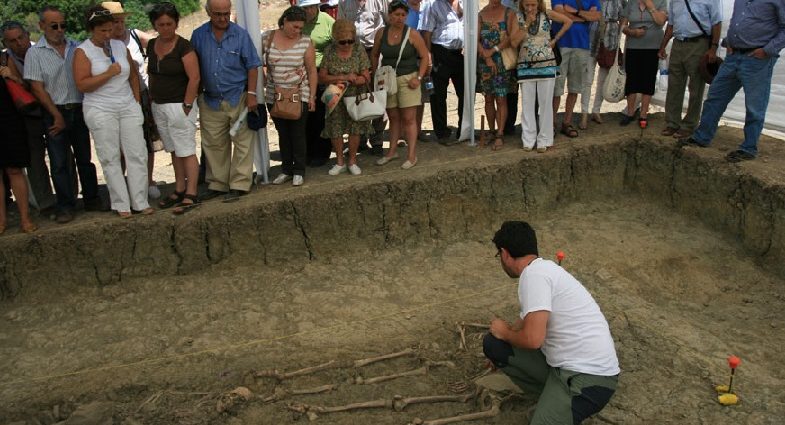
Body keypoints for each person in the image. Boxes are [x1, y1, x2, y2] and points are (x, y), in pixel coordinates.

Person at [484, 221, 619, 424]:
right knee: (495, 345)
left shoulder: (534, 276)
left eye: (499, 256)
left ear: (504, 254)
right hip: (568, 368)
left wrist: (504, 332)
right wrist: (504, 338)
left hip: (589, 379)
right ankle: (553, 403)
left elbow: (533, 340)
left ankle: (560, 408)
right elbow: (527, 320)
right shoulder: (545, 269)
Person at [679, 0, 784, 162]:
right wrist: (728, 41)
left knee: (755, 106)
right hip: (733, 56)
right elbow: (738, 19)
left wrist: (768, 50)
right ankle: (702, 136)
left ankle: (748, 148)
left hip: (757, 59)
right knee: (715, 97)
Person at [73, 5, 153, 218]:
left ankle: (140, 200)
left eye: (110, 29)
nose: (108, 34)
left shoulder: (120, 47)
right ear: (92, 29)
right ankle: (121, 203)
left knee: (137, 153)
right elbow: (82, 84)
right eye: (103, 31)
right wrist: (108, 74)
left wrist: (136, 102)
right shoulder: (83, 51)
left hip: (126, 104)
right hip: (100, 107)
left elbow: (133, 76)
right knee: (110, 156)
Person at [25, 5, 101, 224]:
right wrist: (55, 115)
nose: (59, 30)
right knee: (58, 163)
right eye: (54, 26)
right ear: (42, 26)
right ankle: (66, 205)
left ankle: (91, 198)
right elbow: (37, 88)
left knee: (85, 159)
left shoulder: (76, 47)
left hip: (78, 108)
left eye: (63, 25)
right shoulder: (35, 53)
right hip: (54, 110)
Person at [191, 0, 261, 202]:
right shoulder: (198, 35)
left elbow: (253, 65)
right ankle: (218, 184)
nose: (223, 18)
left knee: (242, 143)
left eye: (226, 13)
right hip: (210, 98)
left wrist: (251, 94)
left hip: (237, 95)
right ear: (209, 13)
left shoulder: (240, 34)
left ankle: (240, 184)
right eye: (218, 14)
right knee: (213, 144)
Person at [147, 2, 202, 214]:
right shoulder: (152, 45)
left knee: (186, 149)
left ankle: (191, 191)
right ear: (155, 25)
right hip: (159, 104)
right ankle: (179, 187)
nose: (166, 28)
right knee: (173, 149)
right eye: (161, 24)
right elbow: (152, 73)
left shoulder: (183, 46)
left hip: (180, 103)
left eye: (169, 23)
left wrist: (187, 104)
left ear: (176, 23)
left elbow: (194, 77)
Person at [104, 1, 161, 200]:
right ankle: (123, 185)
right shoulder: (100, 44)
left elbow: (158, 43)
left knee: (145, 141)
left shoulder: (135, 35)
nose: (118, 25)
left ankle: (149, 180)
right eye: (114, 21)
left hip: (142, 94)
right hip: (114, 97)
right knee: (118, 146)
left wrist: (152, 69)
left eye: (121, 20)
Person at [0, 21, 57, 212]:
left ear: (27, 35)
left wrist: (17, 78)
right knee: (35, 161)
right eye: (12, 41)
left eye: (20, 37)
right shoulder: (5, 60)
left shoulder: (42, 50)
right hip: (28, 115)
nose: (18, 43)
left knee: (62, 157)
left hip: (53, 108)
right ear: (6, 43)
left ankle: (68, 199)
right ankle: (45, 203)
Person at [372, 0, 430, 168]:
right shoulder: (381, 33)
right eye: (396, 14)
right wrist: (375, 74)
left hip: (407, 79)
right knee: (393, 117)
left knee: (409, 118)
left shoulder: (412, 34)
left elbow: (425, 56)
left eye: (403, 15)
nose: (399, 18)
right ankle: (392, 151)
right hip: (388, 80)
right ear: (389, 15)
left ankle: (411, 155)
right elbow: (375, 54)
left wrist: (418, 78)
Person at [264, 6, 318, 186]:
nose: (298, 31)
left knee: (297, 133)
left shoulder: (305, 42)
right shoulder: (267, 37)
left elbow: (312, 70)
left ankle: (299, 170)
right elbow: (259, 64)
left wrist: (312, 96)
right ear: (285, 21)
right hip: (274, 95)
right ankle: (286, 169)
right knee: (283, 134)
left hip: (298, 94)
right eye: (295, 27)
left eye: (300, 28)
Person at [513, 0, 572, 152]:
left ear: (538, 3)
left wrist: (555, 40)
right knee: (527, 104)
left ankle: (544, 139)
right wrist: (526, 23)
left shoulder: (547, 14)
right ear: (522, 4)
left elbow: (568, 21)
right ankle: (528, 140)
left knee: (546, 104)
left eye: (533, 4)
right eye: (527, 5)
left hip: (547, 64)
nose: (530, 8)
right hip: (526, 66)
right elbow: (514, 42)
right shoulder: (517, 17)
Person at [658, 0, 722, 138]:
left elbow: (716, 23)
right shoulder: (675, 1)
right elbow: (671, 25)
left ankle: (689, 125)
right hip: (678, 43)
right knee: (674, 85)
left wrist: (713, 48)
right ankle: (672, 122)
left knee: (696, 87)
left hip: (699, 44)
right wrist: (663, 45)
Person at [319, 19, 373, 176]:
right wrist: (341, 77)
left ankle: (353, 161)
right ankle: (340, 161)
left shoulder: (358, 49)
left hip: (355, 94)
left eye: (350, 40)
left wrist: (357, 79)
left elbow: (366, 75)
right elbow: (322, 77)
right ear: (336, 38)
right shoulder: (329, 51)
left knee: (354, 128)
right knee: (335, 128)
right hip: (334, 93)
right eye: (343, 42)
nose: (347, 44)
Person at [338, 0, 390, 155]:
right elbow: (340, 27)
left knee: (379, 95)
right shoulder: (344, 3)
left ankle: (377, 140)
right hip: (352, 53)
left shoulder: (380, 1)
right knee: (357, 97)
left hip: (376, 52)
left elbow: (389, 23)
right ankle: (358, 140)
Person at [551, 0, 600, 139]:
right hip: (561, 44)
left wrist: (574, 12)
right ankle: (552, 123)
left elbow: (596, 16)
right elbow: (559, 13)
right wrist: (584, 17)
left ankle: (567, 122)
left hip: (582, 45)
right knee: (556, 88)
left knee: (574, 87)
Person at [619, 0, 667, 128]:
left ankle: (643, 114)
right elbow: (622, 25)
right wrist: (631, 32)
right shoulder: (631, 3)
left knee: (648, 79)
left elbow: (661, 21)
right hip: (633, 46)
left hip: (653, 47)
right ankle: (630, 112)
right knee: (632, 80)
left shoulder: (661, 2)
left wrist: (650, 5)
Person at [476, 0, 518, 150]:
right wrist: (486, 57)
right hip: (485, 62)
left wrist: (492, 51)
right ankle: (492, 130)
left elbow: (510, 38)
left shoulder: (509, 13)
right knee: (488, 98)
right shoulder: (480, 15)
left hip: (502, 62)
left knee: (501, 99)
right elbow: (476, 39)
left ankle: (500, 133)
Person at [579, 0, 625, 130]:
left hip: (611, 39)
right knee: (587, 79)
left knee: (603, 79)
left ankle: (596, 110)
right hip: (589, 39)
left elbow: (623, 17)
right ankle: (584, 113)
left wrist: (618, 35)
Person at [423, 0, 464, 144]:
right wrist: (428, 56)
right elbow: (427, 33)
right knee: (438, 95)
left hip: (462, 54)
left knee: (465, 93)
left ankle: (463, 130)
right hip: (440, 52)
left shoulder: (467, 3)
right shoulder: (432, 5)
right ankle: (441, 133)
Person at [299, 0, 334, 167]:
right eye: (305, 8)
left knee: (321, 114)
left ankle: (321, 152)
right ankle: (307, 151)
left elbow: (338, 44)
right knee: (305, 114)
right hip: (301, 75)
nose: (309, 11)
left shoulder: (327, 20)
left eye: (311, 7)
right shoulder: (297, 21)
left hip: (323, 74)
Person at [0, 78, 38, 234]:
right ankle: (1, 220)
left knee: (15, 170)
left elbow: (25, 85)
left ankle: (25, 218)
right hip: (9, 122)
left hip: (9, 122)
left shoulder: (4, 60)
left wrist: (10, 76)